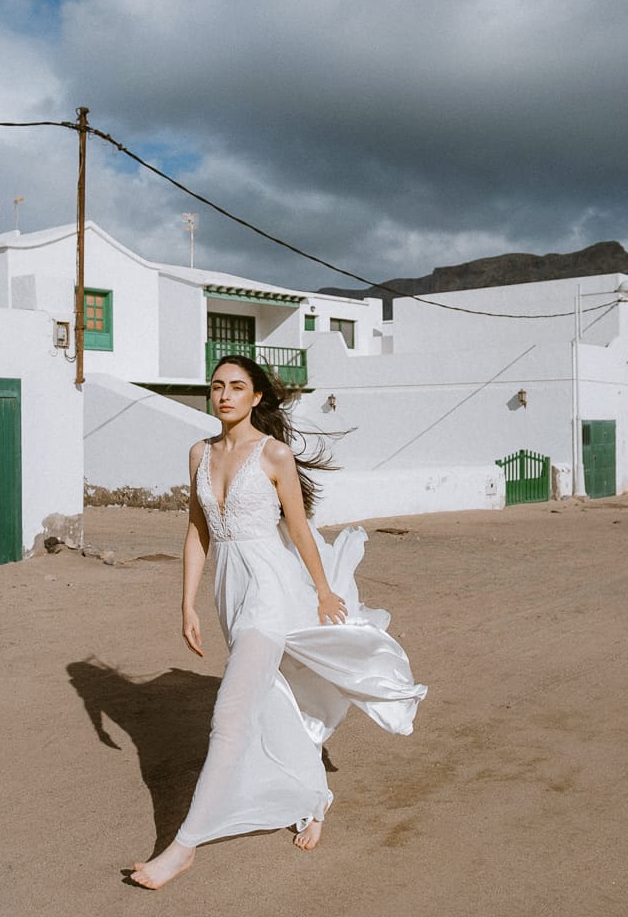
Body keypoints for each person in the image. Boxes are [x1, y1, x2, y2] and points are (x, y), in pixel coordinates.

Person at [131, 355, 427, 890]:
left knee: (231, 714)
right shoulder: (199, 452)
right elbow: (198, 532)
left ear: (256, 397)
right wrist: (186, 604)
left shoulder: (274, 455)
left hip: (270, 589)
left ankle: (182, 847)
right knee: (267, 700)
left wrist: (322, 589)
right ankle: (315, 794)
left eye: (237, 387)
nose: (224, 395)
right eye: (217, 386)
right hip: (229, 591)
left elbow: (299, 527)